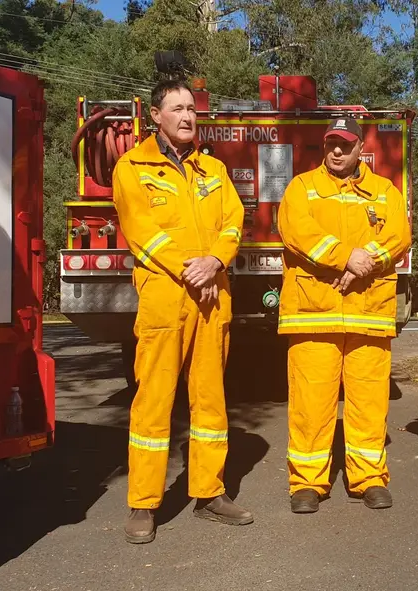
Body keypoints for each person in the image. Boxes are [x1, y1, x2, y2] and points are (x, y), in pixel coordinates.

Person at [112, 78, 251, 543]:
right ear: (156, 116)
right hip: (165, 298)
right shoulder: (133, 167)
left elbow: (233, 222)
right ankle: (144, 503)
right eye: (177, 108)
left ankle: (210, 493)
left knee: (210, 398)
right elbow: (141, 231)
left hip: (212, 298)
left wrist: (215, 262)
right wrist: (189, 269)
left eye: (191, 108)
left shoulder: (214, 169)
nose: (188, 116)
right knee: (153, 400)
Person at [276, 117, 410, 513]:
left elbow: (399, 236)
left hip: (369, 312)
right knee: (311, 403)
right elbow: (296, 232)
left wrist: (366, 261)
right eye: (331, 143)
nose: (337, 151)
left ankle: (369, 478)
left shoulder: (384, 191)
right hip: (314, 312)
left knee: (369, 402)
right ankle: (307, 483)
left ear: (360, 149)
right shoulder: (302, 188)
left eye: (345, 144)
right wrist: (345, 257)